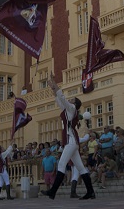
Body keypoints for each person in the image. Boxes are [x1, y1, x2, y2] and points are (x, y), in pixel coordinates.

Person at [41, 72, 95, 200]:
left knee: (61, 165)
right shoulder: (68, 110)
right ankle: (91, 192)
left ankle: (53, 191)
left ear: (75, 103)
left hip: (71, 140)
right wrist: (52, 87)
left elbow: (62, 98)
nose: (70, 99)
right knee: (81, 167)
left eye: (73, 99)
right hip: (72, 141)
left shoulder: (72, 108)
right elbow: (59, 99)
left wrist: (54, 83)